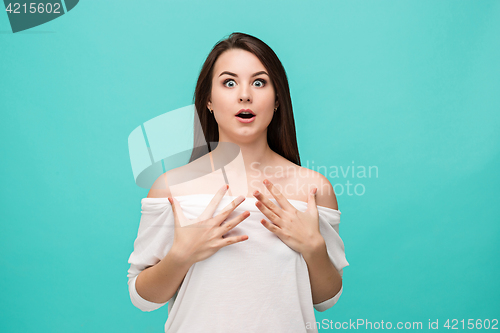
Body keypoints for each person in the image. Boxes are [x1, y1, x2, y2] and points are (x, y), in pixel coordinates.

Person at [127, 32, 349, 333]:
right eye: (229, 82)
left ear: (278, 99)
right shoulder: (171, 188)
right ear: (207, 100)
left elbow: (326, 299)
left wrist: (313, 247)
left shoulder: (313, 189)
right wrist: (181, 256)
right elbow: (143, 299)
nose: (245, 95)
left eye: (259, 82)